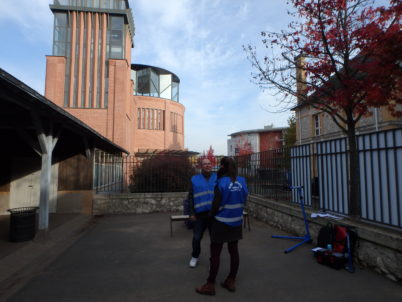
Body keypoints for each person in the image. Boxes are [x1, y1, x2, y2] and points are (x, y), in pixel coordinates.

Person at [196, 157, 248, 296]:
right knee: (234, 251)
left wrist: (210, 216)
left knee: (215, 253)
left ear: (223, 167)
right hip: (237, 221)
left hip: (221, 222)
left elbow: (215, 204)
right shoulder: (242, 181)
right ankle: (231, 280)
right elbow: (244, 200)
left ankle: (210, 284)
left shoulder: (221, 182)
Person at [188, 158, 217, 268]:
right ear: (201, 166)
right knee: (196, 238)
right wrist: (191, 213)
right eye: (205, 164)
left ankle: (214, 259)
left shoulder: (217, 178)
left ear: (212, 165)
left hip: (214, 214)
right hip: (199, 215)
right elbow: (190, 197)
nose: (207, 165)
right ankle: (195, 257)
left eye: (209, 164)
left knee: (214, 239)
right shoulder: (194, 179)